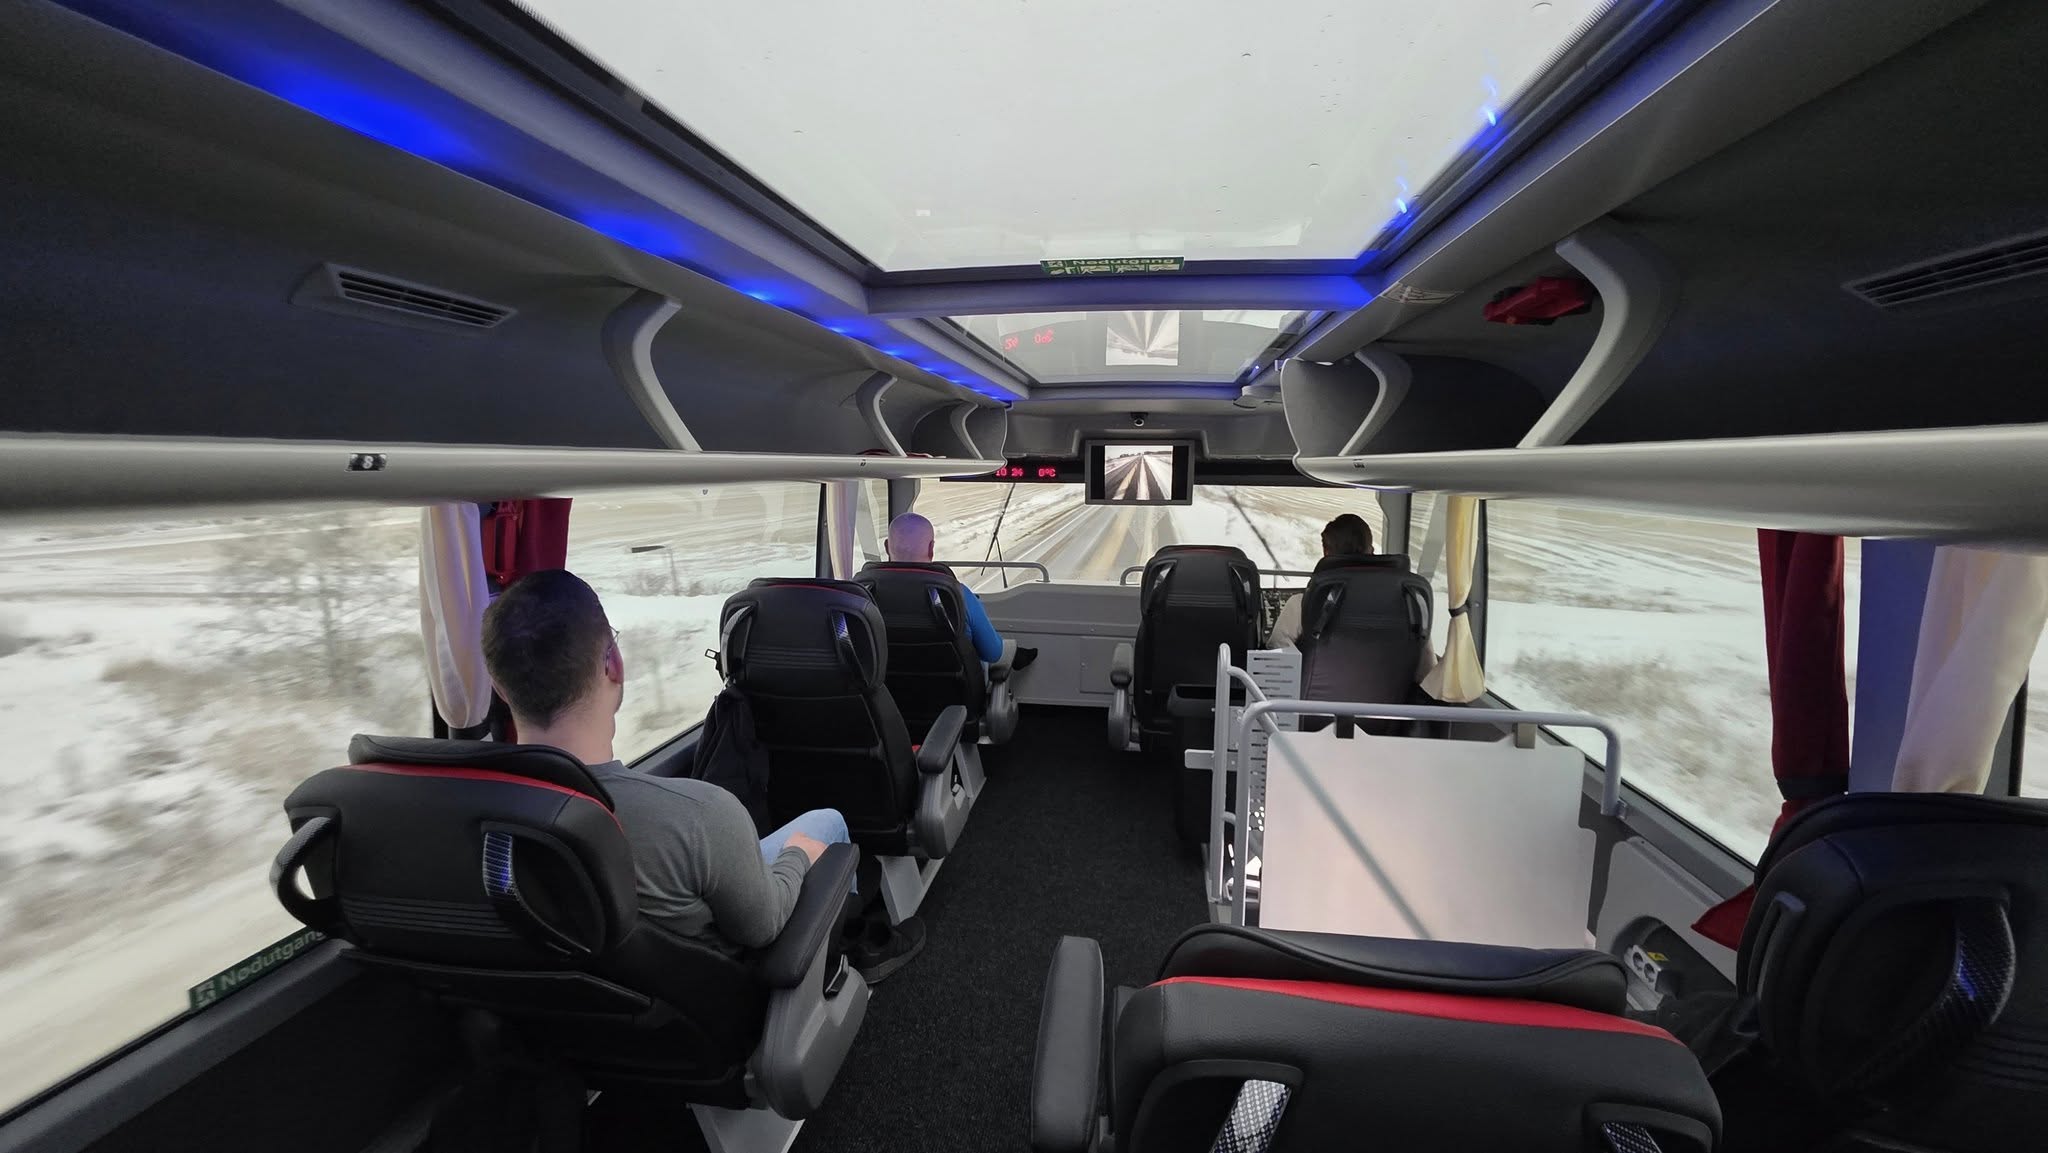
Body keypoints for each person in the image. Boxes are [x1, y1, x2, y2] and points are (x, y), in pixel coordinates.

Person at [480, 569, 924, 982]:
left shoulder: (461, 817)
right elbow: (764, 926)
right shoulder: (698, 814)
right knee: (823, 822)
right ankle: (847, 954)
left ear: (500, 687)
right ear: (613, 663)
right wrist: (798, 856)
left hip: (589, 1010)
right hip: (712, 1006)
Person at [885, 512, 1036, 670]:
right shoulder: (957, 595)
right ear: (931, 549)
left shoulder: (866, 593)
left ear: (887, 547)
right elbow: (993, 654)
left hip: (886, 693)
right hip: (951, 692)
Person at [1267, 514, 1375, 648]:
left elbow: (1277, 647)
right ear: (1371, 553)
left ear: (1326, 553)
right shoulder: (1398, 603)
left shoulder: (1302, 605)